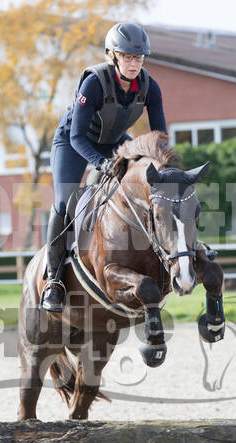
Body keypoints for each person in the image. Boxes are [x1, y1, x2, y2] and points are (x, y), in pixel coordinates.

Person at [42, 22, 168, 311]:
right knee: (64, 201)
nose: (134, 63)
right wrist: (101, 163)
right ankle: (54, 280)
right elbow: (77, 135)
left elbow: (158, 138)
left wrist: (164, 169)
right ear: (113, 56)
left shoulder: (150, 87)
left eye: (139, 58)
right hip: (74, 141)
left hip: (113, 141)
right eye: (127, 57)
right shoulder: (94, 83)